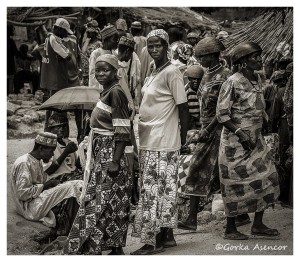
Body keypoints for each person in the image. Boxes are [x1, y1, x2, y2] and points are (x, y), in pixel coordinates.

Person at [64, 54, 132, 255]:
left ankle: (96, 245)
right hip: (102, 150)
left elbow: (123, 129)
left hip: (110, 153)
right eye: (98, 70)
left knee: (101, 200)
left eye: (106, 70)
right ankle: (112, 246)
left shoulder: (116, 93)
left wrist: (115, 161)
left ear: (115, 71)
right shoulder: (107, 92)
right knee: (110, 200)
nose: (101, 74)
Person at [131, 29, 190, 255]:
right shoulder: (154, 71)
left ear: (166, 47)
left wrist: (182, 137)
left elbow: (183, 108)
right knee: (164, 190)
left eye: (158, 46)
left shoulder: (172, 72)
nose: (154, 49)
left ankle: (151, 241)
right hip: (149, 140)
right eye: (151, 46)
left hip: (162, 141)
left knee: (152, 191)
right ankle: (167, 236)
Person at [216, 42, 280, 240]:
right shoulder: (232, 82)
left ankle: (258, 224)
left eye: (259, 55)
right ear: (243, 62)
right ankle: (230, 228)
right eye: (254, 56)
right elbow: (222, 114)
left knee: (268, 177)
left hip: (256, 142)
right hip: (235, 145)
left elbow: (258, 105)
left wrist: (265, 120)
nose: (259, 59)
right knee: (233, 184)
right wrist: (241, 133)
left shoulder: (258, 78)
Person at [178, 37, 232, 231]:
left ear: (212, 56)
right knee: (206, 172)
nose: (199, 60)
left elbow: (223, 109)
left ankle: (193, 218)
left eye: (202, 57)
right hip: (207, 129)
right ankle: (193, 217)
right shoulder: (207, 75)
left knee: (199, 170)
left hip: (219, 131)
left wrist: (206, 130)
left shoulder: (226, 76)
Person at [10, 132, 83, 238]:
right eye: (51, 151)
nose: (53, 154)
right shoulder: (24, 163)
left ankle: (72, 227)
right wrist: (46, 185)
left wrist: (52, 184)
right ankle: (75, 232)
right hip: (30, 208)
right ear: (41, 149)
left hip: (34, 202)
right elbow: (22, 193)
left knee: (71, 184)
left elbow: (41, 181)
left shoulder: (37, 161)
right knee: (74, 186)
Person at [45, 112, 83, 182]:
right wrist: (66, 152)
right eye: (58, 127)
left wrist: (82, 150)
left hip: (73, 175)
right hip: (57, 179)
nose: (62, 129)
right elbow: (48, 171)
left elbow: (75, 164)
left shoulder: (68, 142)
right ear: (51, 129)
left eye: (64, 126)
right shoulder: (47, 145)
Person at [88, 25, 119, 89]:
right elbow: (92, 75)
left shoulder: (114, 54)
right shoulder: (96, 54)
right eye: (114, 39)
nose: (117, 42)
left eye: (117, 39)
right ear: (106, 40)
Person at [80, 20, 102, 86]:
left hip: (93, 73)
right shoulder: (86, 43)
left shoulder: (99, 44)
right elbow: (83, 53)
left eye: (90, 32)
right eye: (87, 32)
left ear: (95, 33)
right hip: (85, 74)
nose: (88, 34)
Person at [184, 64, 204, 130]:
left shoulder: (203, 91)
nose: (196, 81)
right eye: (194, 79)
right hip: (192, 125)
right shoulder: (187, 92)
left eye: (198, 79)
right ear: (189, 79)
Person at [7, 25, 18, 94]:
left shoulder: (11, 42)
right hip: (10, 65)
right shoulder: (11, 42)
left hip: (9, 64)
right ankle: (9, 96)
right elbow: (15, 54)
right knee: (10, 79)